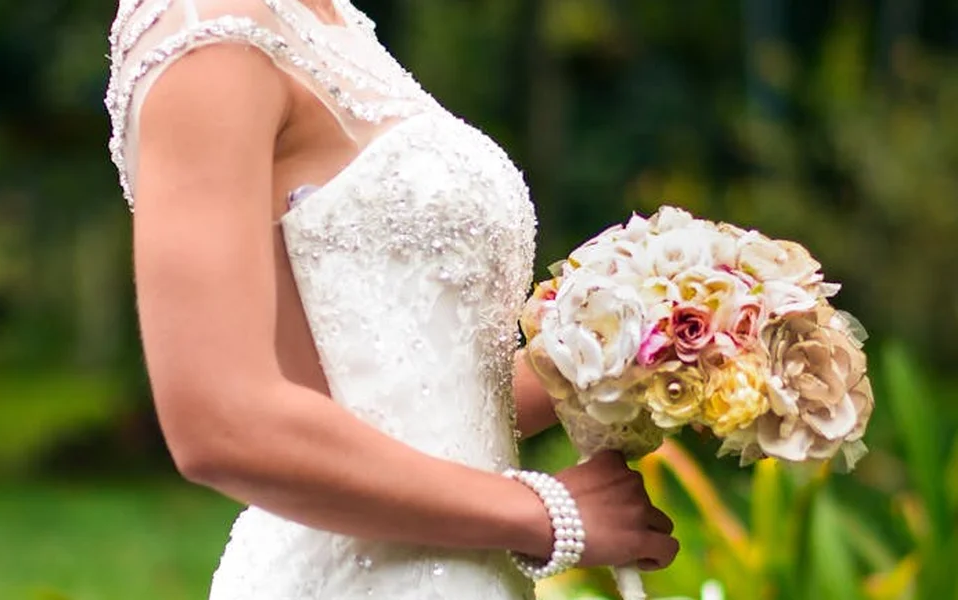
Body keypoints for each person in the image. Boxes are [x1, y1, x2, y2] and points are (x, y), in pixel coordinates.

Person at [104, 0, 679, 597]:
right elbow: (221, 421)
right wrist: (545, 513)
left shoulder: (333, 21)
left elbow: (398, 404)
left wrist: (623, 350)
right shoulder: (209, 32)